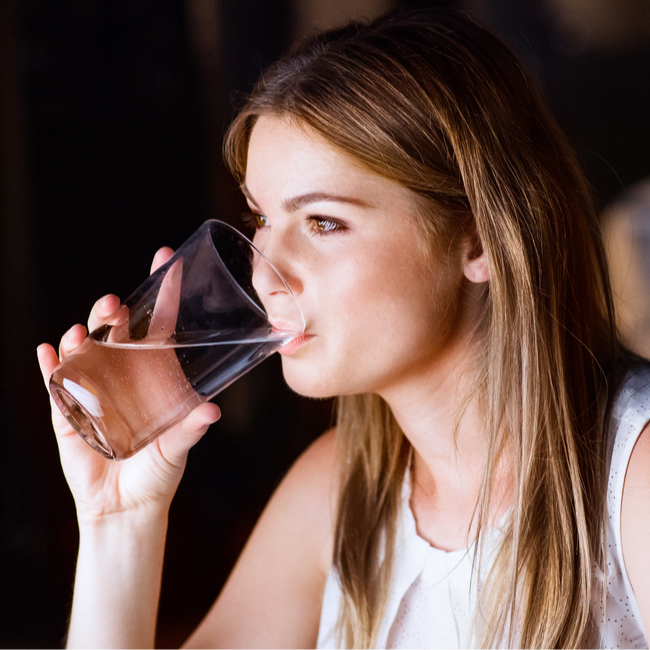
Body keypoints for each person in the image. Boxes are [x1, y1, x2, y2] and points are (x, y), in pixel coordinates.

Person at [37, 9, 650, 649]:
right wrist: (121, 524)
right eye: (260, 221)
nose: (268, 276)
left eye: (324, 222)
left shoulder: (631, 481)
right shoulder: (336, 495)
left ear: (480, 240)